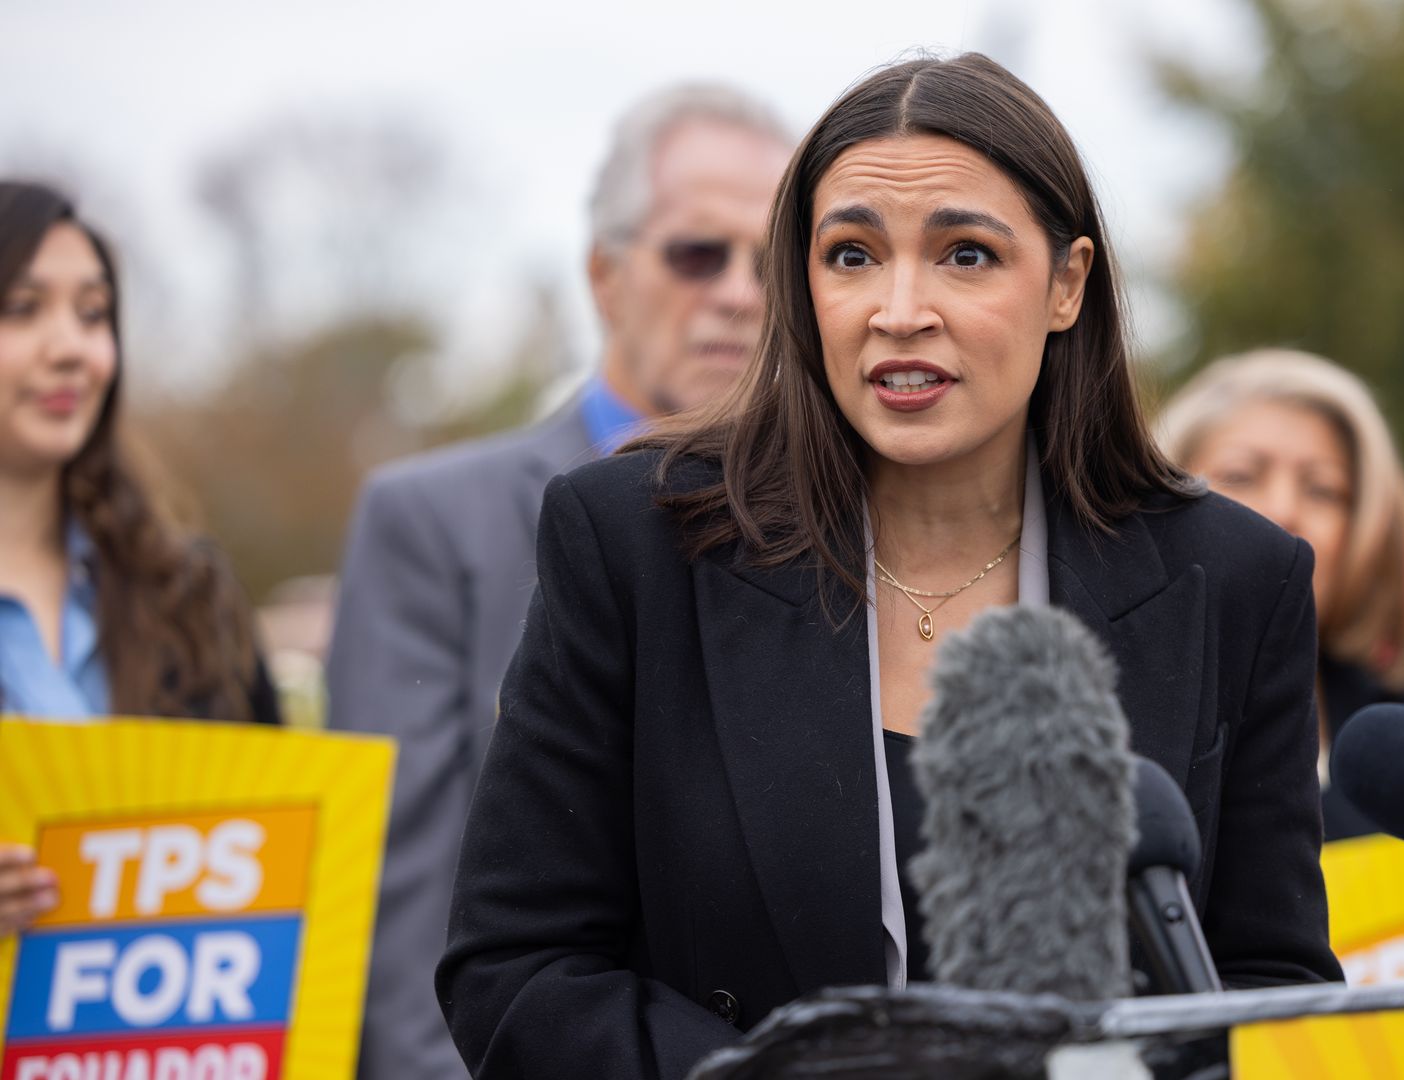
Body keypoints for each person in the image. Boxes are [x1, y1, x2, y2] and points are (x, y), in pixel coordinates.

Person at [437, 53, 1341, 1079]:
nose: (899, 308)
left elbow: (1274, 991)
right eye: (853, 255)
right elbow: (516, 972)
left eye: (964, 255)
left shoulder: (1233, 578)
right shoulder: (636, 545)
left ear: (1067, 284)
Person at [325, 85, 791, 1080]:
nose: (740, 293)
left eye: (775, 262)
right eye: (697, 253)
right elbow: (402, 889)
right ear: (604, 274)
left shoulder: (847, 531)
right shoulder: (432, 523)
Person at [0, 180, 280, 936]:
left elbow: (276, 851)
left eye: (93, 315)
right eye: (22, 309)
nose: (71, 349)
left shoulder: (189, 591)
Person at [1157, 349, 1404, 841]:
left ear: (1366, 533)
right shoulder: (1104, 736)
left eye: (1322, 490)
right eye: (1241, 476)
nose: (1283, 511)